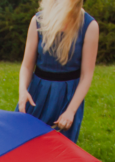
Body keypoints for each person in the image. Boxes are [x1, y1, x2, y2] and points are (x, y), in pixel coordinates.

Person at [16, 0, 98, 143]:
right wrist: (23, 91)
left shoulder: (89, 26)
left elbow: (86, 75)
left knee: (58, 151)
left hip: (67, 97)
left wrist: (70, 111)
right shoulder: (38, 20)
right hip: (37, 93)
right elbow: (27, 66)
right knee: (22, 143)